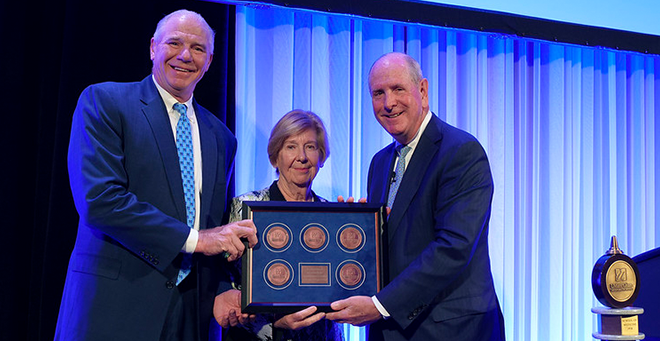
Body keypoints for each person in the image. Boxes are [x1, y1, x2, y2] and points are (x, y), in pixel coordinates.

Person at [55, 9, 258, 341]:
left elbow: (212, 224)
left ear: (209, 61)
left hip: (190, 315)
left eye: (198, 49)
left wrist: (222, 288)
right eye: (174, 43)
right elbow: (101, 201)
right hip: (114, 308)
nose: (184, 56)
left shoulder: (221, 137)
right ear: (153, 48)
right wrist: (199, 241)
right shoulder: (105, 102)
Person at [326, 52, 505, 340]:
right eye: (378, 93)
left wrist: (380, 306)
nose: (388, 103)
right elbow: (394, 244)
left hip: (451, 330)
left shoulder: (461, 151)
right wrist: (357, 232)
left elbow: (453, 247)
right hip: (391, 328)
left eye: (398, 89)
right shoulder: (381, 162)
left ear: (422, 90)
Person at [214, 110, 344, 341]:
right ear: (275, 157)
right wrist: (275, 323)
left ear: (321, 157)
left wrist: (364, 227)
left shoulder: (332, 215)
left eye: (311, 147)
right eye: (291, 147)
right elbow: (226, 280)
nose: (302, 157)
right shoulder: (245, 208)